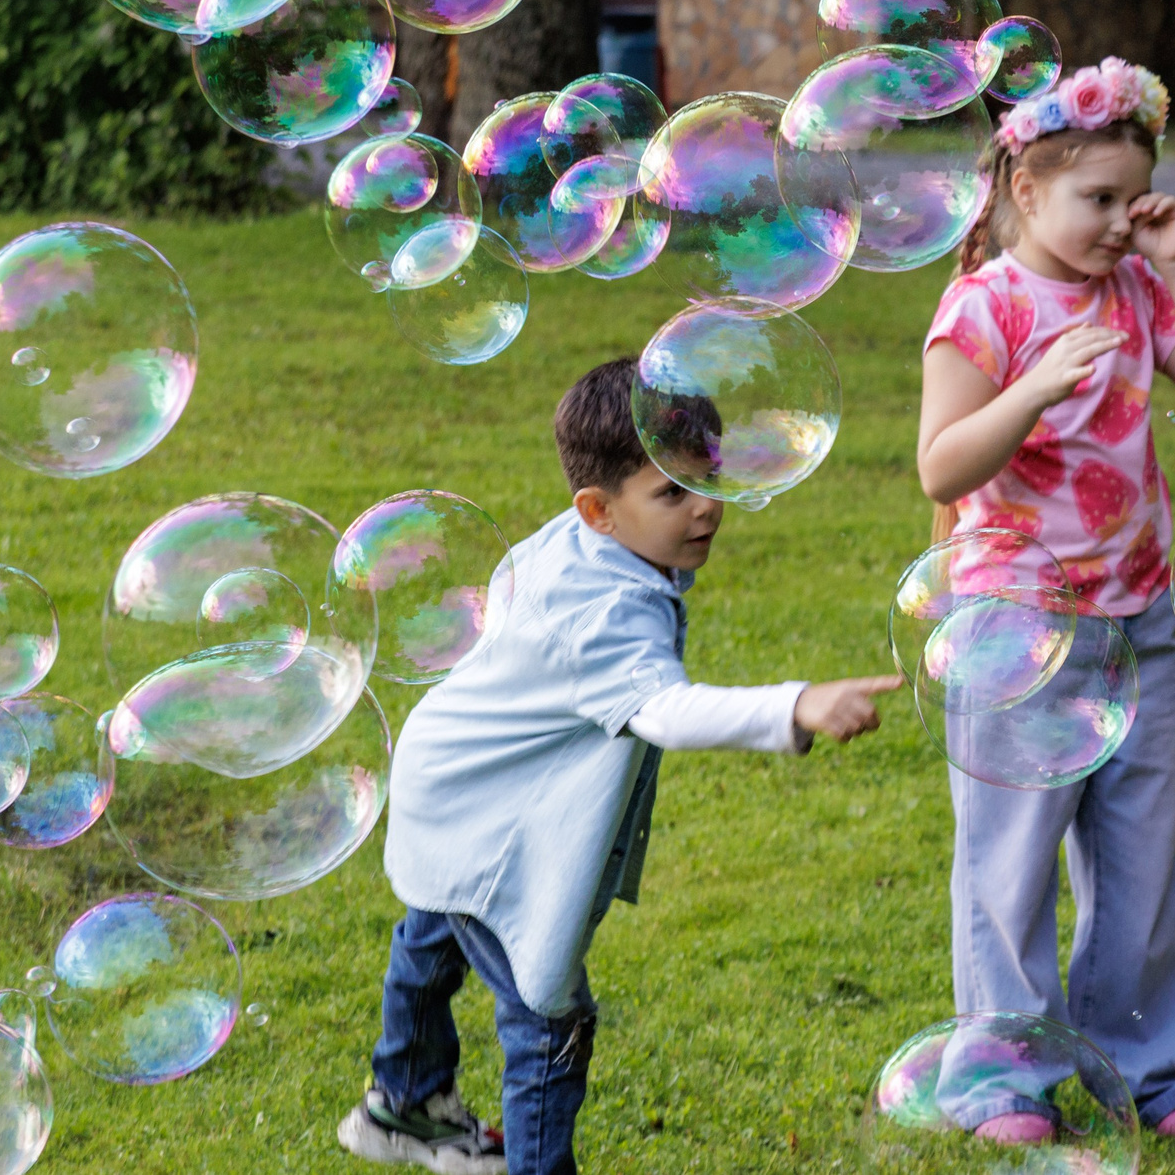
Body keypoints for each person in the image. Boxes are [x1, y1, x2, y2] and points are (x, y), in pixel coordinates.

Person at [339, 357, 903, 1175]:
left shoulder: (583, 544)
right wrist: (796, 704)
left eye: (707, 477)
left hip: (452, 786)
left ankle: (402, 1101)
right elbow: (663, 708)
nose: (705, 505)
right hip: (489, 825)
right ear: (599, 510)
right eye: (672, 492)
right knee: (549, 1016)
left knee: (432, 940)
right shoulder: (605, 608)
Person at [916, 56, 1175, 1144]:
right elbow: (941, 464)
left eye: (1134, 198)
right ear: (1026, 190)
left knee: (1141, 862)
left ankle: (1150, 1068)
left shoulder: (1138, 290)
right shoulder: (985, 305)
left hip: (1137, 622)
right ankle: (1003, 1082)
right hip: (1016, 629)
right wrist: (1032, 388)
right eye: (1098, 199)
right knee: (1009, 866)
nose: (1120, 221)